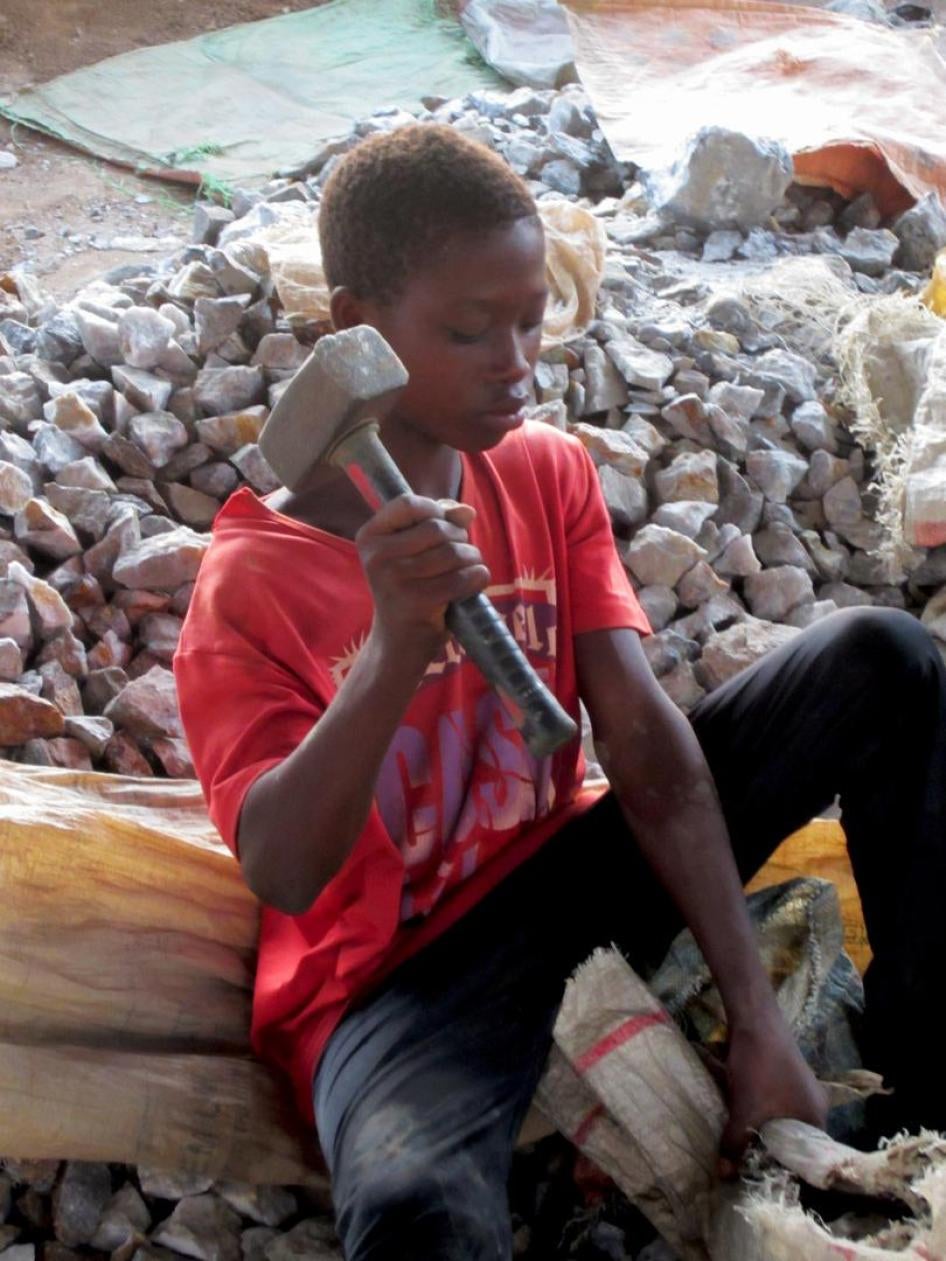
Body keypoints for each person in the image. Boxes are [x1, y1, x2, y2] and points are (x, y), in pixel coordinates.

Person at [174, 124, 946, 1259]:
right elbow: (285, 870)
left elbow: (645, 751)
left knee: (881, 658)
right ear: (355, 325)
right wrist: (393, 648)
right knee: (415, 1214)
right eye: (469, 330)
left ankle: (927, 1085)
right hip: (399, 982)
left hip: (565, 878)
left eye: (532, 321)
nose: (516, 363)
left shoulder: (541, 469)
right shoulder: (252, 583)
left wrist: (755, 1016)